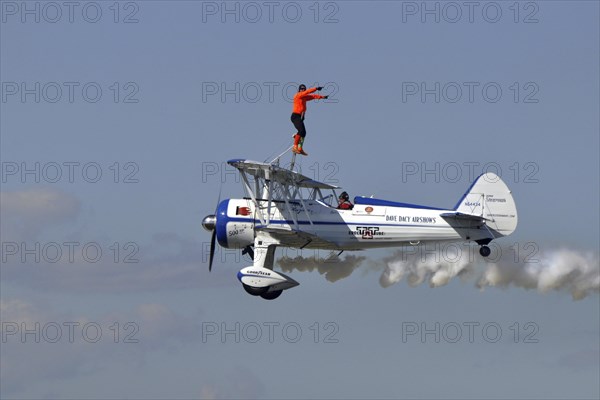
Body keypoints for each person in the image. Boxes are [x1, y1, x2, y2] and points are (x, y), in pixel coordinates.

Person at [291, 84, 328, 156]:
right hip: (295, 116)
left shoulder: (305, 98)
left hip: (300, 117)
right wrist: (316, 88)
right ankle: (295, 147)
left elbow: (313, 96)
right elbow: (307, 92)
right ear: (299, 90)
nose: (303, 90)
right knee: (300, 131)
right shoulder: (297, 95)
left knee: (304, 133)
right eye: (301, 89)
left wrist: (323, 97)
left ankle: (300, 148)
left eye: (304, 89)